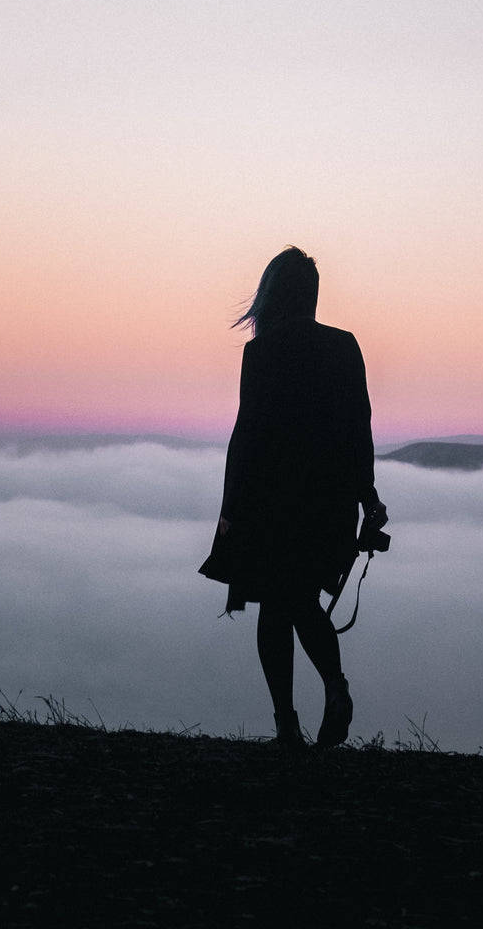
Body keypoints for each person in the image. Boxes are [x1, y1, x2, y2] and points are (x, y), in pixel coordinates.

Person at [203, 247, 387, 747]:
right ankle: (335, 686)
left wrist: (229, 513)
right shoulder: (345, 346)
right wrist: (368, 497)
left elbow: (247, 437)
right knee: (301, 599)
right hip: (329, 501)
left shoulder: (260, 354)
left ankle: (287, 726)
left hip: (272, 498)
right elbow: (359, 429)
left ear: (271, 295)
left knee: (276, 607)